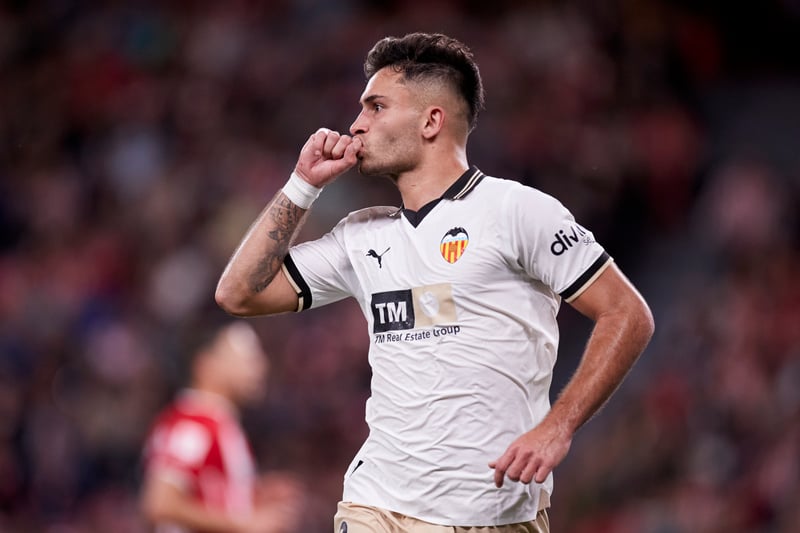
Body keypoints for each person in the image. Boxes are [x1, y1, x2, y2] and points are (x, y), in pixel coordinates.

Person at [215, 32, 654, 532]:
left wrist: (559, 426)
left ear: (431, 121)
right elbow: (238, 293)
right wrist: (302, 186)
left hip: (492, 511)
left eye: (376, 106)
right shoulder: (361, 235)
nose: (356, 124)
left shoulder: (517, 211)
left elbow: (627, 313)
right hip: (375, 504)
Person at [140, 320, 301, 533]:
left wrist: (251, 494)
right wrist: (246, 525)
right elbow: (160, 504)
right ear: (205, 365)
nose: (260, 366)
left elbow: (201, 494)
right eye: (246, 357)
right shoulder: (193, 426)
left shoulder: (218, 425)